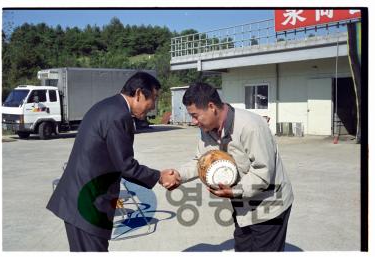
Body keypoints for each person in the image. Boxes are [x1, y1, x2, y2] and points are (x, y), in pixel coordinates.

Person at [46, 72, 180, 252]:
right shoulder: (118, 115)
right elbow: (125, 166)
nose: (153, 105)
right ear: (139, 93)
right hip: (87, 204)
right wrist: (159, 176)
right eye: (154, 98)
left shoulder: (109, 106)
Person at [175, 82, 294, 252]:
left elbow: (262, 172)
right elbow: (202, 161)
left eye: (195, 115)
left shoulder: (251, 126)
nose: (193, 122)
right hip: (243, 208)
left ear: (211, 107)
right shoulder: (207, 128)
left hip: (270, 207)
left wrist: (234, 191)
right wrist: (178, 174)